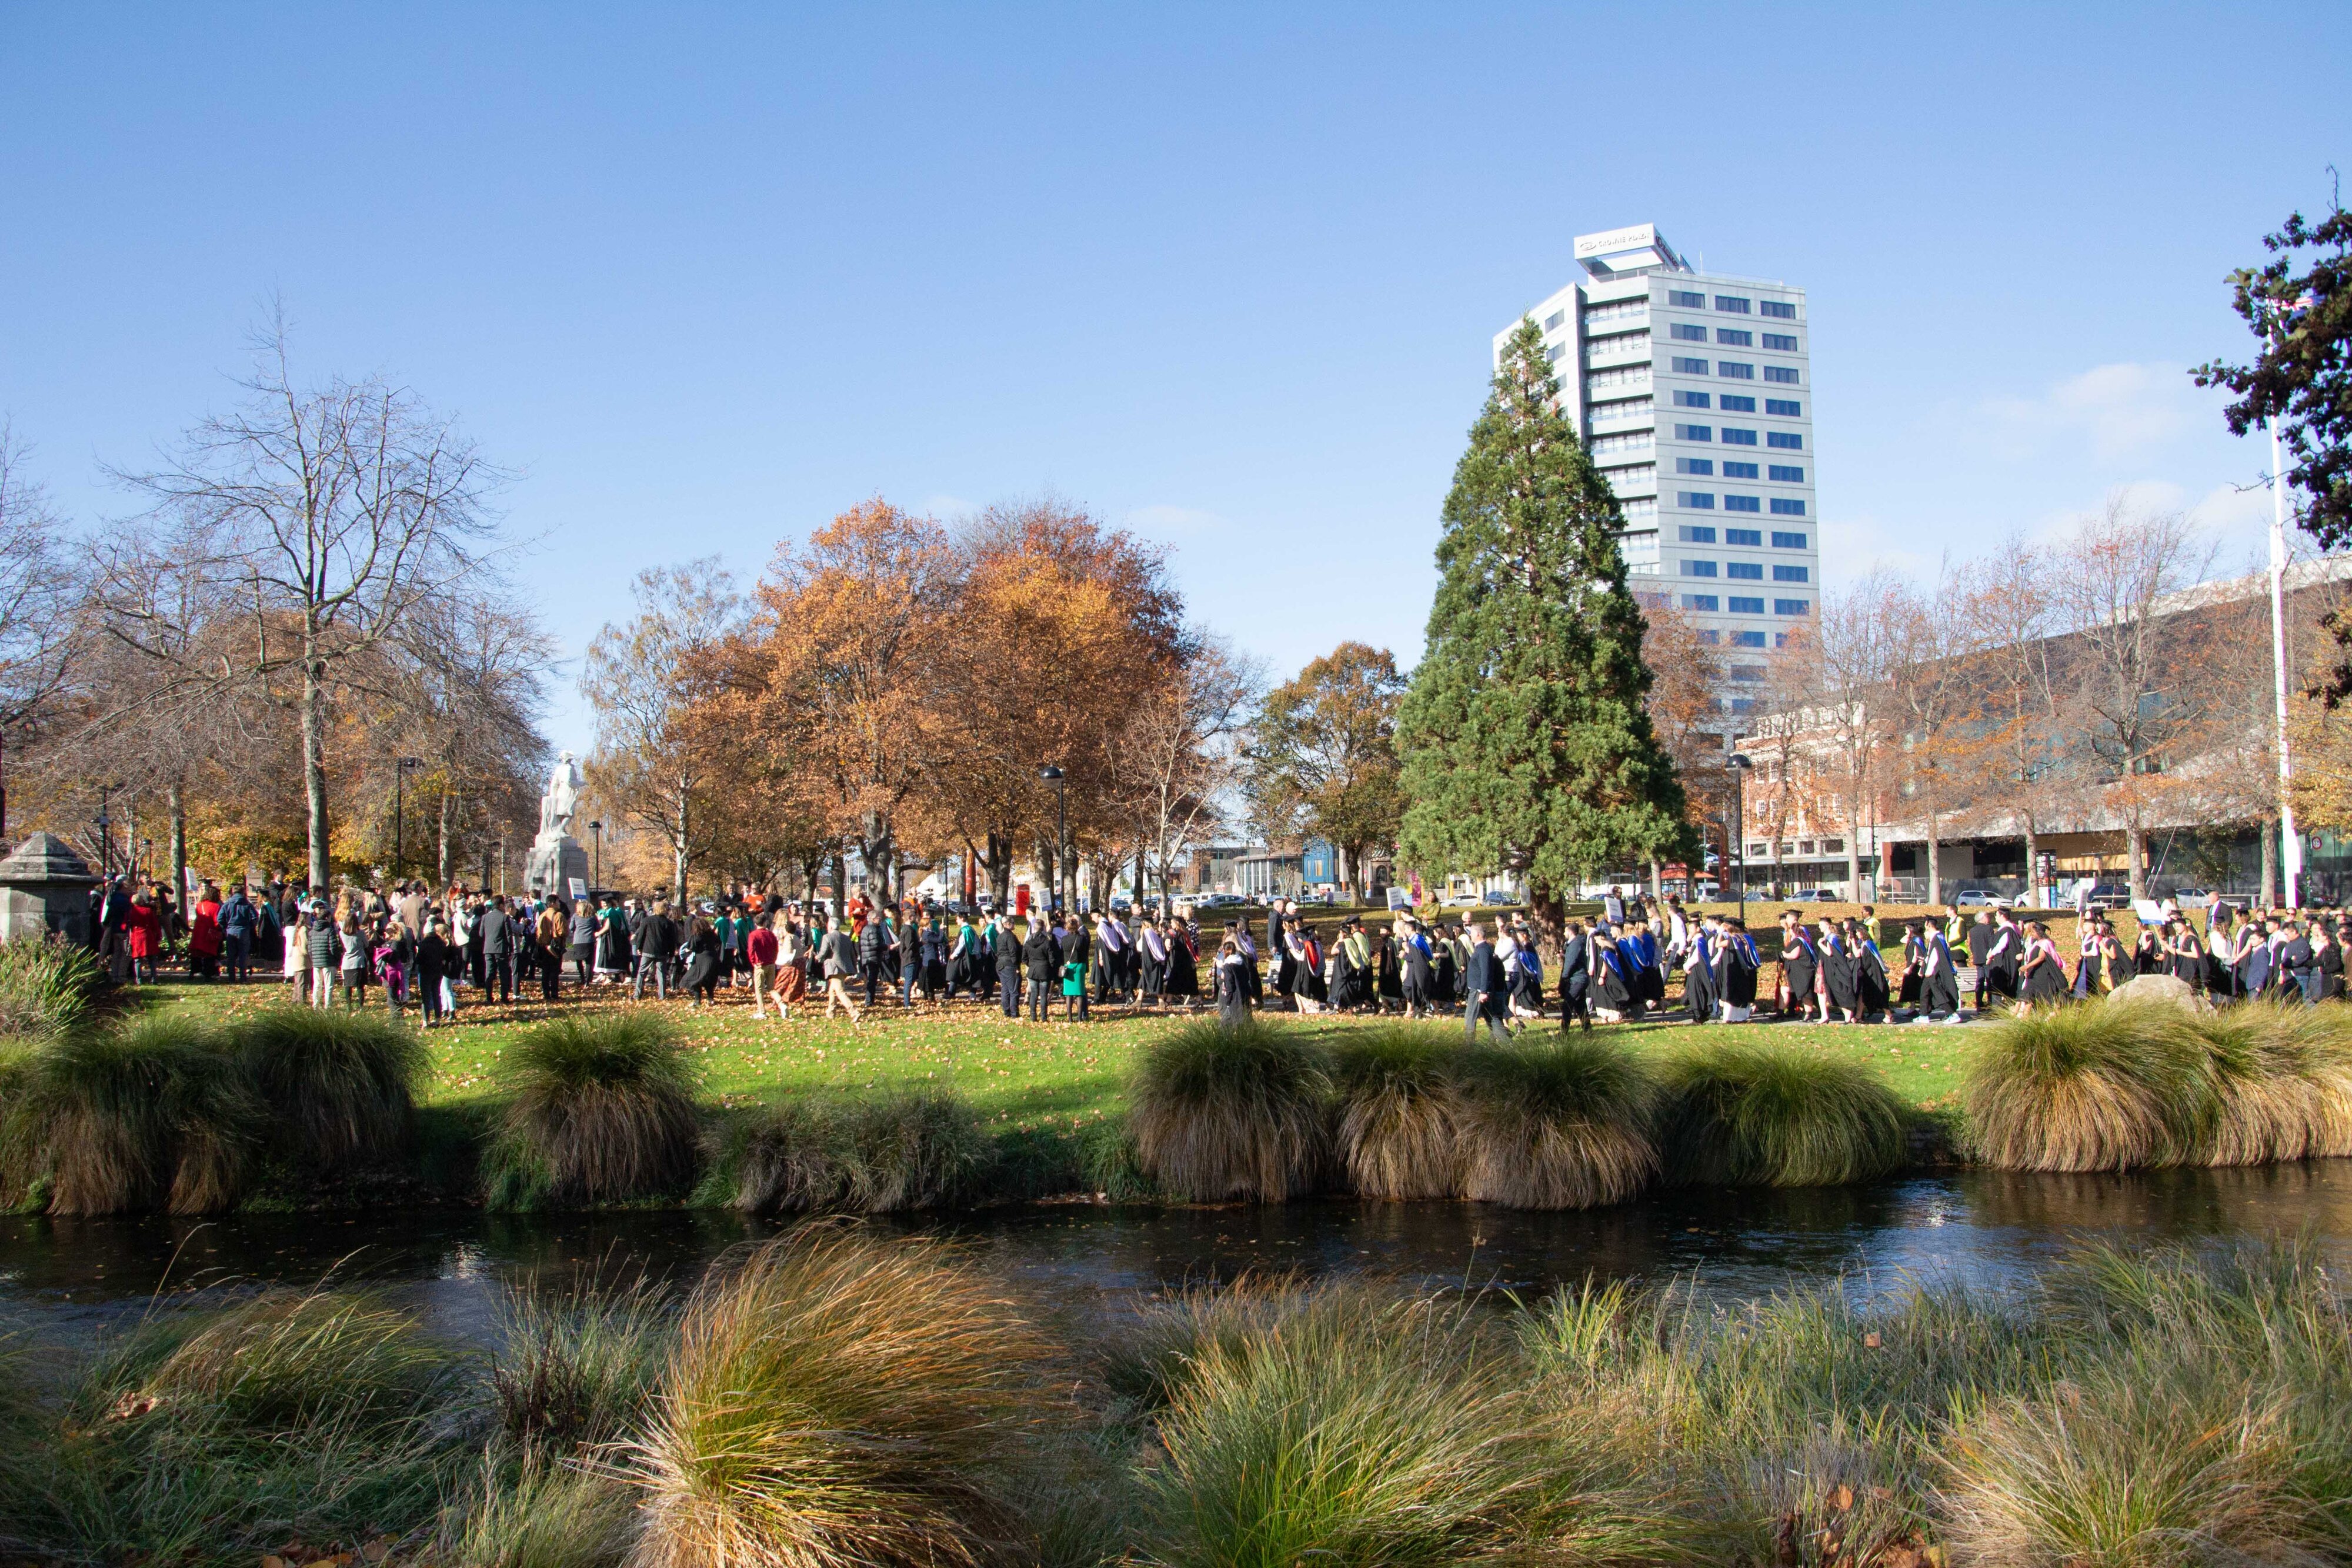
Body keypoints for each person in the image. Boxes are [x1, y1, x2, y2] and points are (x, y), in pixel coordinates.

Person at [1462, 922, 1512, 1047]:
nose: (1470, 936)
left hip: (1479, 991)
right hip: (1480, 990)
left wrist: (1483, 991)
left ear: (1478, 934)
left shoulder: (1483, 950)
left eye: (1472, 933)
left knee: (1470, 1019)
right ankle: (1508, 1045)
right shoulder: (1482, 949)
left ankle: (1468, 1047)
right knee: (1492, 1019)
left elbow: (1486, 971)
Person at [1022, 913, 1056, 1023]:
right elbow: (1052, 959)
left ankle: (1033, 1016)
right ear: (1044, 929)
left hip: (1033, 970)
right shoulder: (1047, 943)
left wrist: (1030, 964)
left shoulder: (1028, 943)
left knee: (1034, 995)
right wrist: (1050, 967)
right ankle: (1044, 1017)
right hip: (1044, 971)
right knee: (1044, 995)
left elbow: (1024, 959)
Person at [1558, 919, 1592, 1031]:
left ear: (1569, 931)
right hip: (1580, 978)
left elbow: (1571, 963)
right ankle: (1587, 1029)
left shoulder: (1575, 945)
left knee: (1567, 1006)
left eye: (1565, 931)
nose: (1564, 934)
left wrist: (1564, 977)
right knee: (1580, 1006)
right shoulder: (1576, 943)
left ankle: (1564, 1032)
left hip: (1576, 980)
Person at [683, 915, 722, 1006]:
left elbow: (691, 947)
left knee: (696, 979)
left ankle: (697, 1000)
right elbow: (718, 942)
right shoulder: (711, 934)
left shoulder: (696, 935)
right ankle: (711, 999)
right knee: (709, 980)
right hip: (712, 957)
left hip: (700, 959)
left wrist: (686, 950)